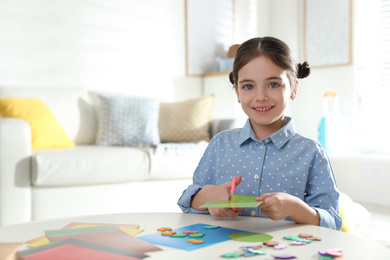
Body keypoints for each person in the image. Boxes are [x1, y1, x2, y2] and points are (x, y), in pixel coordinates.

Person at [177, 36, 342, 230]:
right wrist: (206, 196)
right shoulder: (220, 144)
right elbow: (189, 202)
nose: (261, 97)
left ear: (293, 88)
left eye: (273, 84)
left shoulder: (311, 152)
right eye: (248, 86)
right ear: (237, 92)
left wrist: (295, 208)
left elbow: (332, 223)